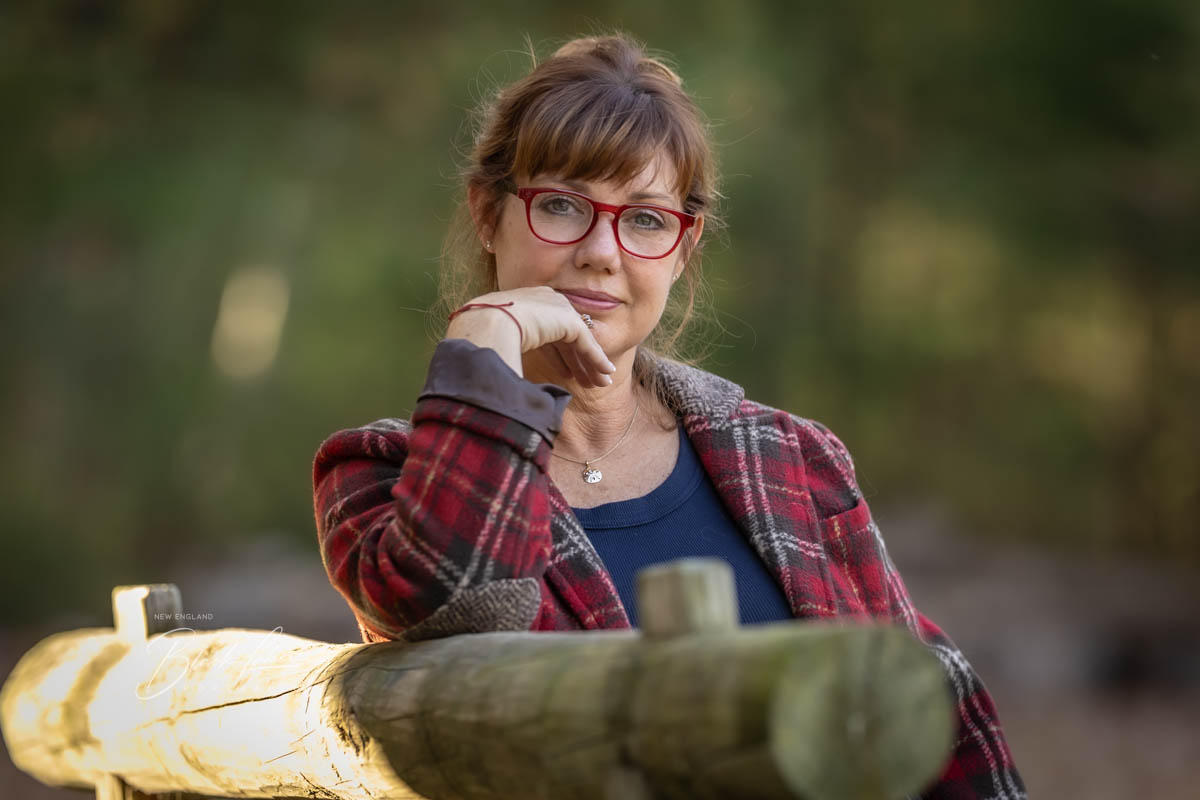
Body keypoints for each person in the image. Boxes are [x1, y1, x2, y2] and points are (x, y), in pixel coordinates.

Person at [312, 33, 1026, 799]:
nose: (600, 252)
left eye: (645, 219)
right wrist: (483, 349)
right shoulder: (380, 477)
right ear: (488, 214)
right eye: (560, 205)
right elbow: (454, 606)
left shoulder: (791, 460)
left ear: (683, 249)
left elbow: (926, 703)